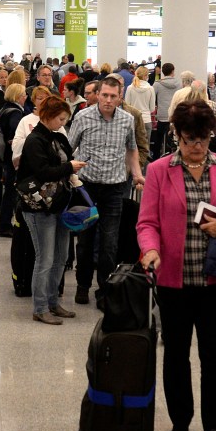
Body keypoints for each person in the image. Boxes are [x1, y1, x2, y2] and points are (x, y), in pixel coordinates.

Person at [138, 100, 216, 431]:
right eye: (189, 139)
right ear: (176, 135)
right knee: (175, 354)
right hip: (174, 280)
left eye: (203, 139)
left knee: (214, 358)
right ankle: (180, 419)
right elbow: (147, 222)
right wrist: (151, 249)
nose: (196, 147)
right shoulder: (160, 170)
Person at [68, 76, 145, 305]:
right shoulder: (82, 117)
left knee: (110, 243)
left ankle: (105, 289)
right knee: (85, 240)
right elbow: (70, 148)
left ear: (120, 97)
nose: (108, 100)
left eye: (113, 96)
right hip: (86, 187)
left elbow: (132, 151)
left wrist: (137, 174)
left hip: (115, 187)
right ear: (97, 95)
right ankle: (82, 285)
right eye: (104, 95)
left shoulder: (127, 120)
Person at [17, 96, 86, 324]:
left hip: (59, 203)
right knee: (45, 258)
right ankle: (40, 307)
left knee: (61, 257)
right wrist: (69, 167)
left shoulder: (57, 137)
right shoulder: (35, 140)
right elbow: (43, 171)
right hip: (39, 208)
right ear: (47, 116)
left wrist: (70, 167)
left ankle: (53, 301)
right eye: (60, 119)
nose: (62, 123)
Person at [0, 84, 27, 237]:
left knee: (9, 191)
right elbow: (14, 136)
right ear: (17, 96)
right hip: (11, 157)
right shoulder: (15, 113)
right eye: (23, 95)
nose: (25, 98)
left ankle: (6, 223)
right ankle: (5, 225)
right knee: (11, 192)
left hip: (4, 156)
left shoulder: (4, 108)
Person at [151, 62, 181, 158]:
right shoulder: (178, 84)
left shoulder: (157, 84)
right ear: (173, 71)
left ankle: (156, 157)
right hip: (174, 115)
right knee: (173, 139)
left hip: (162, 115)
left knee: (158, 139)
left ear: (163, 72)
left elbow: (152, 97)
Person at [124, 65, 156, 145]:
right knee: (145, 148)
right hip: (146, 120)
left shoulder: (130, 88)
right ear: (145, 76)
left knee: (132, 147)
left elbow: (127, 106)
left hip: (133, 120)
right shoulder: (150, 89)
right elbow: (152, 108)